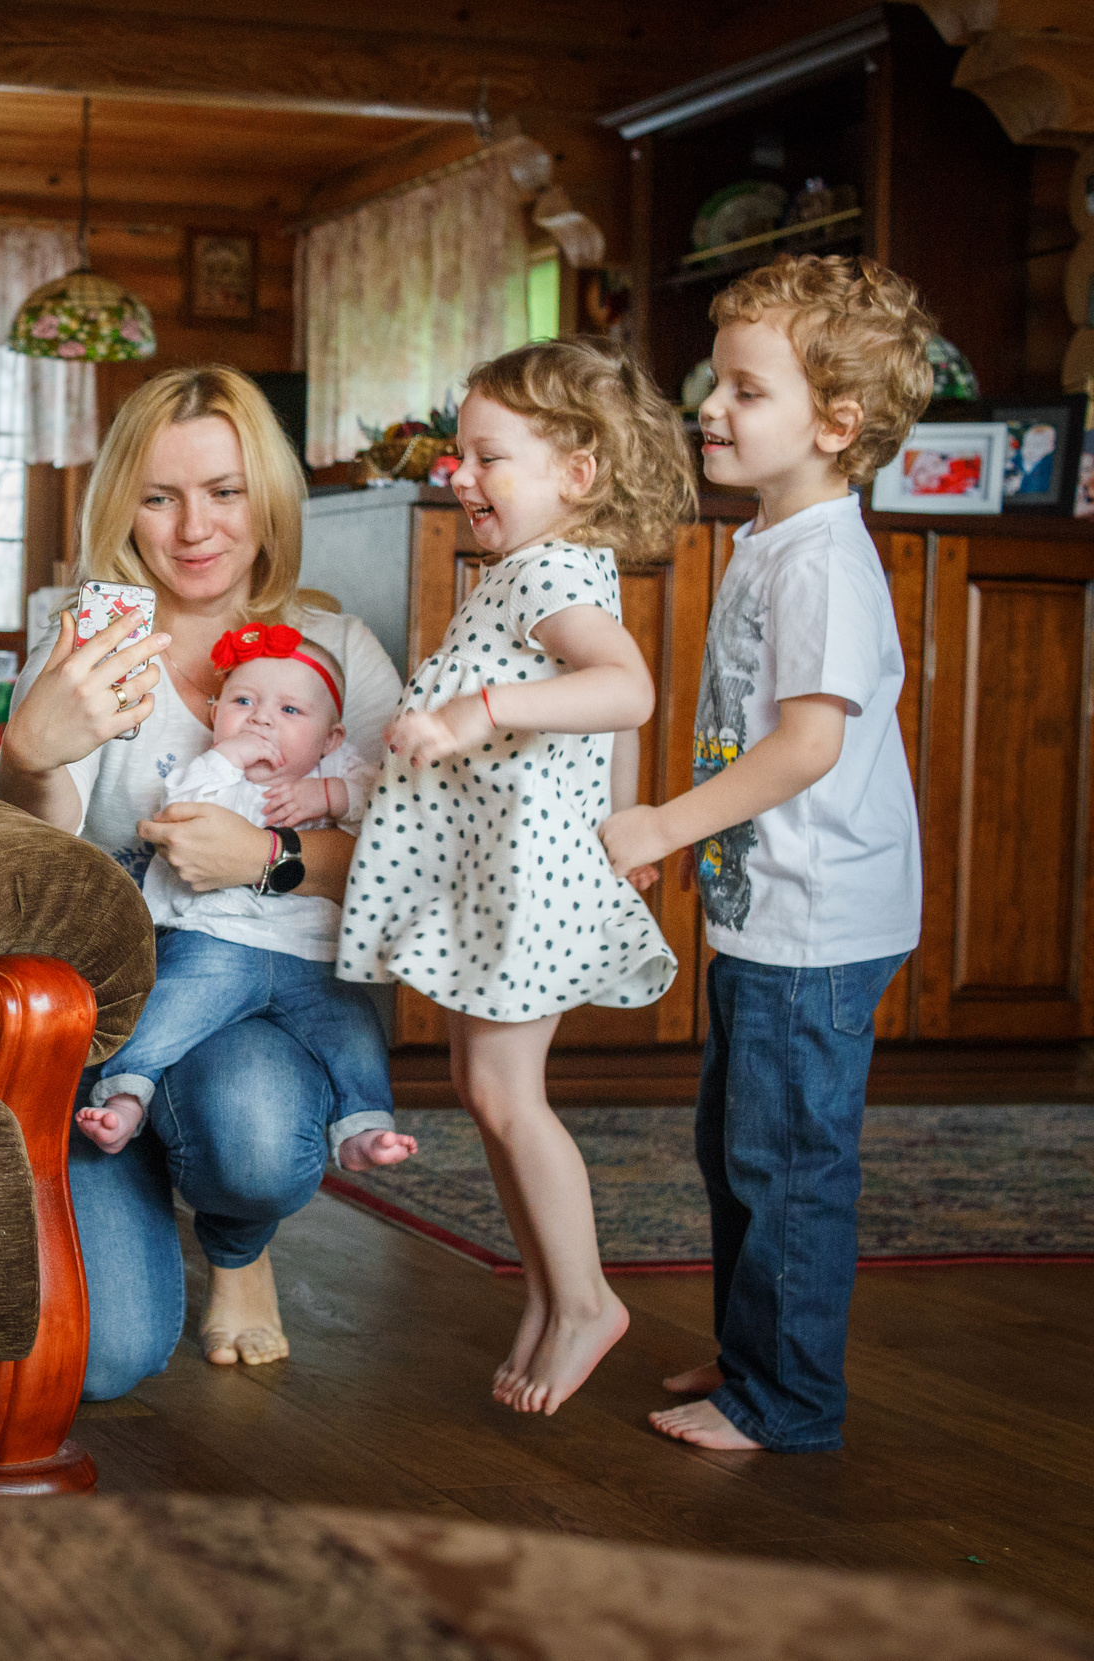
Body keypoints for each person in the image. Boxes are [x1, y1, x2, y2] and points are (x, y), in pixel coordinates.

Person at [0, 366, 402, 1388]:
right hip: (118, 1008)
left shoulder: (339, 648)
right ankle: (117, 1135)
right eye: (159, 495)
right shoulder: (95, 640)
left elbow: (414, 851)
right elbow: (33, 854)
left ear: (265, 492)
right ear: (121, 504)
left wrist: (267, 858)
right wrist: (30, 758)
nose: (193, 529)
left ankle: (235, 1240)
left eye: (222, 490)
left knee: (258, 1145)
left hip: (262, 1003)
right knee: (106, 1361)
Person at [601, 256, 932, 1453]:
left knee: (785, 1158)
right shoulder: (767, 536)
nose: (710, 405)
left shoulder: (823, 562)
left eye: (745, 389)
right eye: (713, 380)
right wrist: (698, 838)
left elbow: (800, 748)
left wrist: (665, 823)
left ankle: (787, 1397)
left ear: (836, 424)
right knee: (734, 1139)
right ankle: (756, 1349)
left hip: (817, 915)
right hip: (770, 902)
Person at [337, 336, 690, 1417]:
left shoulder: (549, 573)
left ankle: (584, 1298)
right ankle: (548, 1292)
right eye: (460, 453)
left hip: (527, 879)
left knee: (501, 1091)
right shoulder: (527, 572)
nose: (460, 474)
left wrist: (472, 713)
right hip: (505, 871)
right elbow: (599, 723)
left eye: (488, 455)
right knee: (486, 1093)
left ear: (573, 473)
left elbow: (622, 688)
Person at [76, 624, 413, 1186]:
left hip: (313, 957)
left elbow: (386, 812)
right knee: (167, 1009)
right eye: (243, 702)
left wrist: (328, 795)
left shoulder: (338, 772)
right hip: (217, 944)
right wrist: (228, 758)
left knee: (354, 1032)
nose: (261, 719)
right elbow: (180, 809)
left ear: (331, 741)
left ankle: (362, 1126)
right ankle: (125, 1094)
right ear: (215, 716)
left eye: (289, 710)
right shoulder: (213, 773)